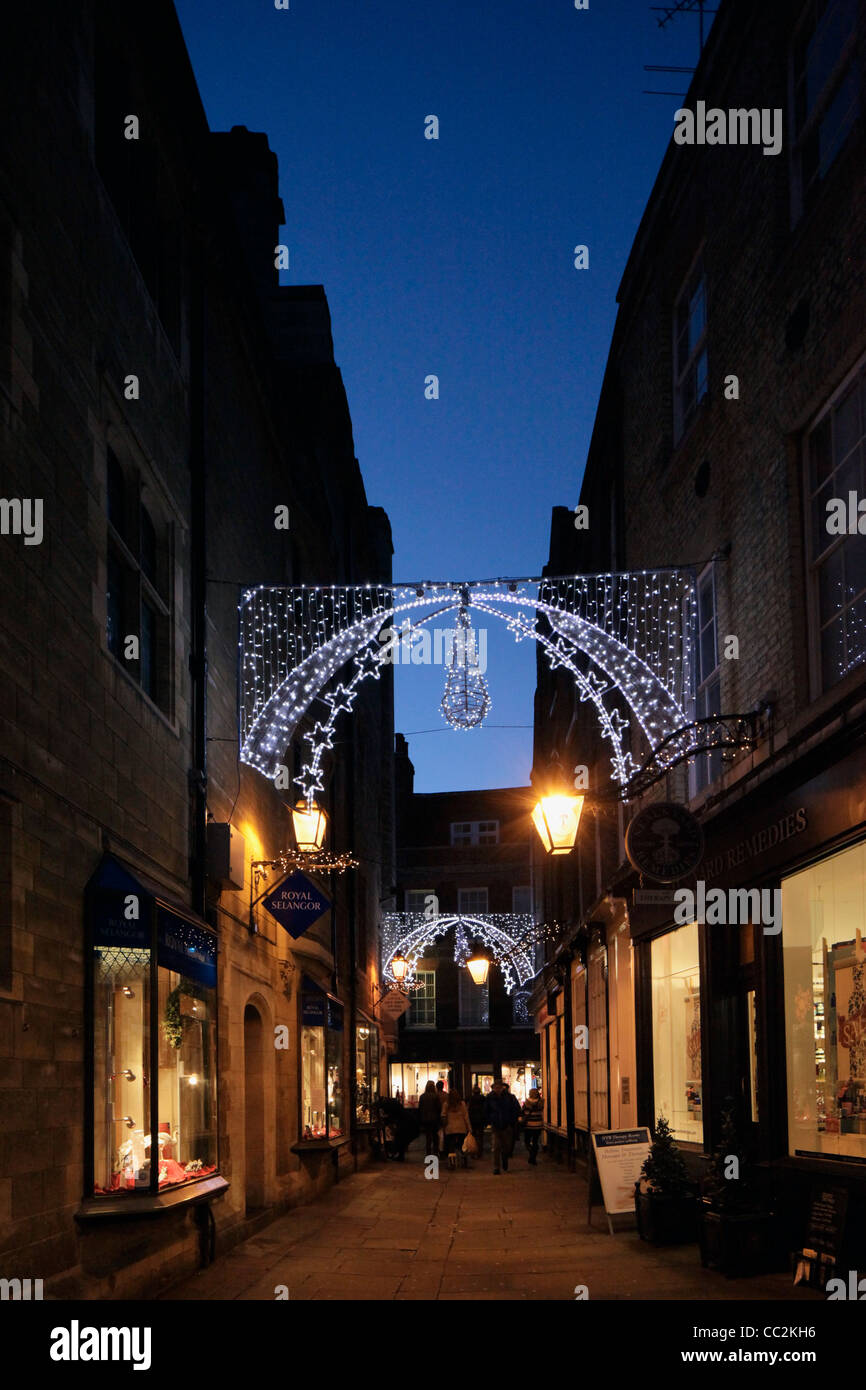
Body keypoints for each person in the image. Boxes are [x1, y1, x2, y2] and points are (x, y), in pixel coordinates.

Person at [484, 1079, 521, 1173]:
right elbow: (486, 1110)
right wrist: (489, 1120)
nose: (497, 1089)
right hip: (496, 1125)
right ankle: (496, 1167)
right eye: (495, 1087)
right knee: (496, 1147)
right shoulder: (490, 1098)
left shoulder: (509, 1097)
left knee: (506, 1146)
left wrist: (512, 1121)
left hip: (507, 1125)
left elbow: (516, 1109)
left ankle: (505, 1159)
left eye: (499, 1087)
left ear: (502, 1088)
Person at [441, 1089, 471, 1169]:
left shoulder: (446, 1104)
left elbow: (443, 1115)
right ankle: (464, 1162)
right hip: (461, 1128)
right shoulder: (462, 1104)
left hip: (450, 1129)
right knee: (462, 1146)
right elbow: (466, 1117)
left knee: (451, 1147)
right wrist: (469, 1128)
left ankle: (452, 1163)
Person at [418, 1079, 442, 1156]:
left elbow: (420, 1108)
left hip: (425, 1119)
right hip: (434, 1119)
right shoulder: (435, 1096)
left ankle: (428, 1153)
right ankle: (435, 1151)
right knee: (435, 1136)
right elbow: (439, 1108)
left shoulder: (422, 1097)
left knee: (428, 1137)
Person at [521, 1088, 543, 1165]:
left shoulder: (527, 1102)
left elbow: (523, 1112)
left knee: (527, 1141)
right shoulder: (541, 1102)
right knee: (535, 1141)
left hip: (529, 1124)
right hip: (538, 1124)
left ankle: (531, 1154)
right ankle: (533, 1157)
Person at [467, 1084, 486, 1157]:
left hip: (473, 1119)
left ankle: (473, 1151)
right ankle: (480, 1152)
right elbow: (484, 1109)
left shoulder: (471, 1099)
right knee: (480, 1136)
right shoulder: (482, 1098)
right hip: (480, 1119)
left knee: (473, 1136)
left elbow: (469, 1110)